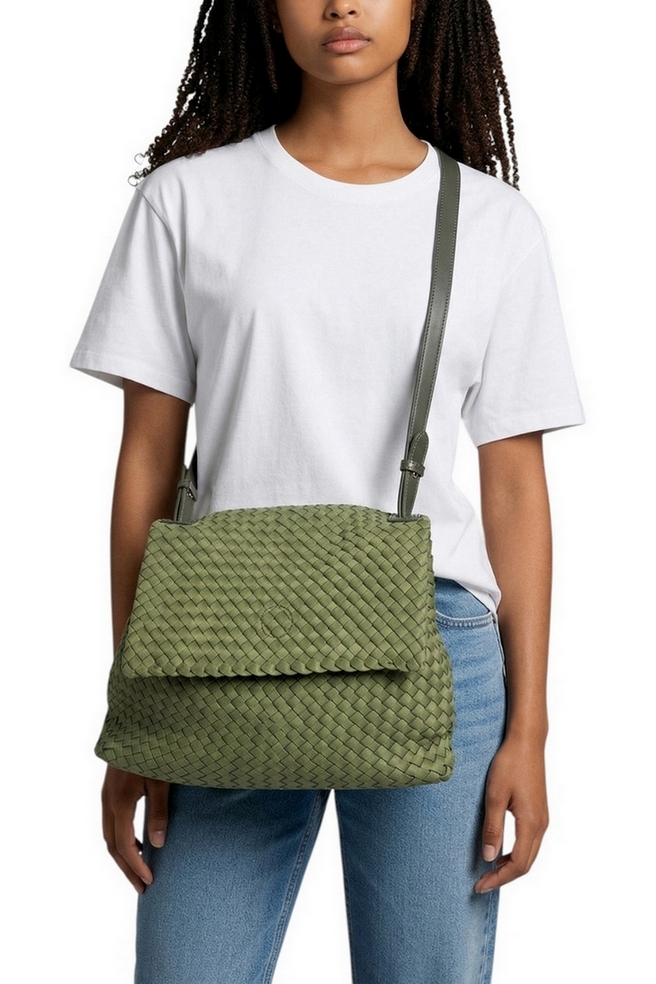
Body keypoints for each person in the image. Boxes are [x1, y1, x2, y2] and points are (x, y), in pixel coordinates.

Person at [71, 1, 584, 981]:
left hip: (434, 640)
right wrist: (135, 706)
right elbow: (145, 463)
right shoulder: (187, 201)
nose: (340, 4)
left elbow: (515, 487)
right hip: (218, 647)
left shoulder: (492, 223)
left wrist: (531, 730)